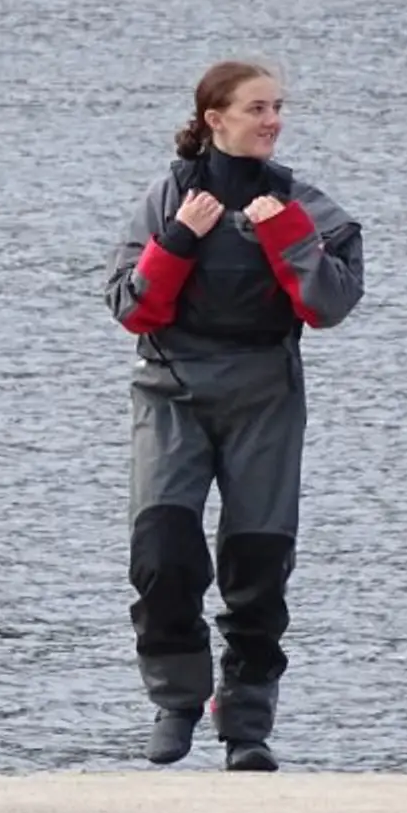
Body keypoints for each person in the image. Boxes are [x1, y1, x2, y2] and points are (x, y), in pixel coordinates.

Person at [105, 61, 363, 771]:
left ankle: (247, 720)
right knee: (162, 554)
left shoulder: (303, 204)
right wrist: (181, 240)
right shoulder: (167, 199)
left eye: (278, 107)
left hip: (264, 393)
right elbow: (131, 307)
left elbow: (332, 305)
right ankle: (175, 699)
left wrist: (291, 241)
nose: (272, 120)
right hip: (171, 388)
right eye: (257, 108)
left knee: (256, 564)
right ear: (215, 119)